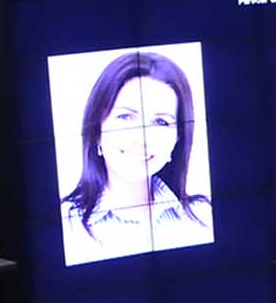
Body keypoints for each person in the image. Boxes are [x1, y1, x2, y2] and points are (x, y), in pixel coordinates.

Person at [59, 49, 213, 265]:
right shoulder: (66, 224)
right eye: (125, 116)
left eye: (160, 122)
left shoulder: (203, 216)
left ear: (177, 138)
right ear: (97, 130)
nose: (141, 139)